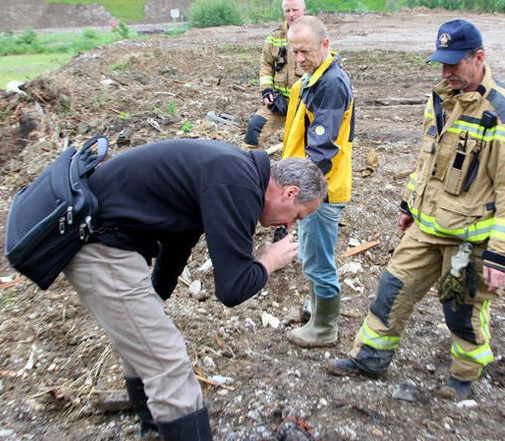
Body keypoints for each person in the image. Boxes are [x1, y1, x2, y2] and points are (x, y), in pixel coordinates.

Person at [327, 19, 505, 400]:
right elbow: (429, 160)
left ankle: (462, 377)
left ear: (478, 58)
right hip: (426, 228)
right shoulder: (440, 99)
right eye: (441, 64)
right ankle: (369, 360)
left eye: (454, 65)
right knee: (391, 291)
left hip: (468, 240)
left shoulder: (504, 111)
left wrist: (499, 255)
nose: (446, 73)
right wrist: (410, 203)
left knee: (461, 311)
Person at [63, 139, 327, 439]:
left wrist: (156, 295)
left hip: (108, 236)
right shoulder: (238, 184)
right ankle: (165, 425)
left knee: (144, 333)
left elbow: (180, 236)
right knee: (169, 363)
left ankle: (154, 426)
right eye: (298, 215)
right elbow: (232, 288)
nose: (291, 226)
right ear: (289, 192)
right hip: (95, 241)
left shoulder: (235, 171)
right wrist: (267, 262)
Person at [281, 15, 355, 348]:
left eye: (305, 51)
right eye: (294, 52)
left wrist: (299, 193)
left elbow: (322, 151)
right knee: (312, 253)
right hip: (312, 184)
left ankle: (325, 327)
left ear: (326, 45)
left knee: (317, 258)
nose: (299, 59)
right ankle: (315, 309)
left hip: (320, 190)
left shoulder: (331, 84)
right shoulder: (315, 78)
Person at [243, 0, 306, 150]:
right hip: (280, 102)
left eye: (295, 10)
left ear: (304, 9)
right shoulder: (275, 36)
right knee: (255, 130)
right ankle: (250, 169)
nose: (291, 14)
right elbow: (266, 64)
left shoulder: (314, 35)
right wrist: (266, 90)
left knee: (310, 142)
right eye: (287, 10)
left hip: (306, 102)